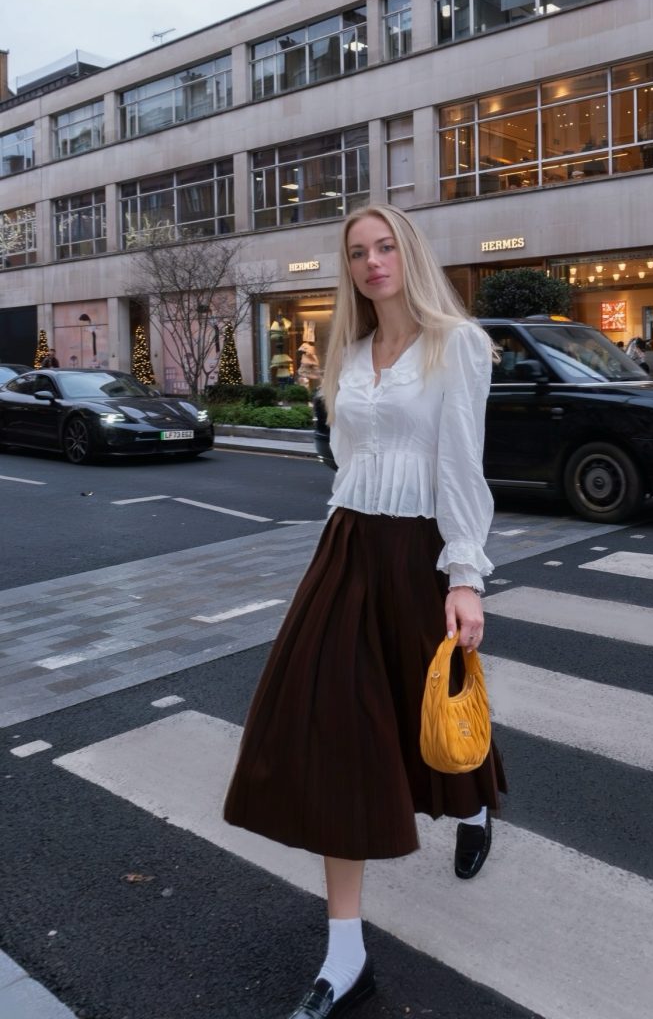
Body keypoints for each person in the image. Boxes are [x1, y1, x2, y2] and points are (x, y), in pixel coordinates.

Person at [223, 204, 506, 1019]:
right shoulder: (345, 357)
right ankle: (344, 951)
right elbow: (349, 465)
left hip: (419, 558)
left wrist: (463, 574)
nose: (372, 262)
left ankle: (476, 800)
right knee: (334, 732)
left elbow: (462, 467)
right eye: (357, 252)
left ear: (408, 254)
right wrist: (331, 551)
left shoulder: (458, 347)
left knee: (435, 712)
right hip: (346, 551)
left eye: (385, 247)